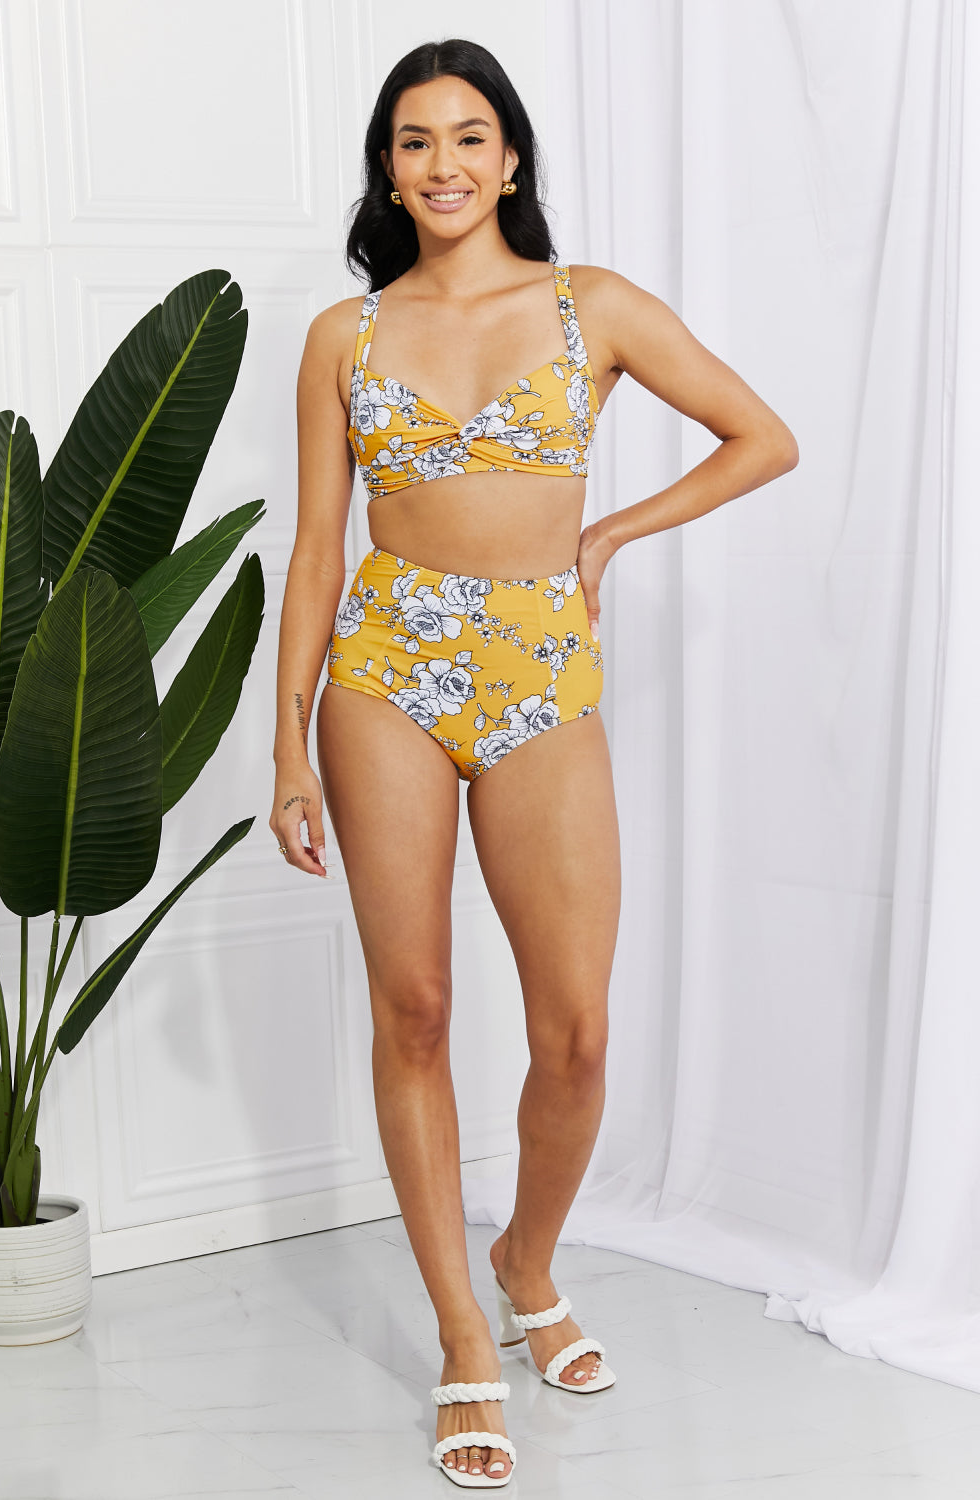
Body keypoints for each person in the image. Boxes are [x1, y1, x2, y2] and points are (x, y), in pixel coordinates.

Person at [269, 36, 798, 1489]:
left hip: (539, 671)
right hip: (384, 670)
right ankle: (463, 1332)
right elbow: (316, 548)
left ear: (510, 160)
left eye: (468, 137)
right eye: (413, 142)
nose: (441, 164)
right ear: (389, 172)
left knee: (575, 1033)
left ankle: (528, 1260)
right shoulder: (343, 335)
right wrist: (288, 743)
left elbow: (762, 437)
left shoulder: (592, 306)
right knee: (418, 1008)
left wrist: (613, 531)